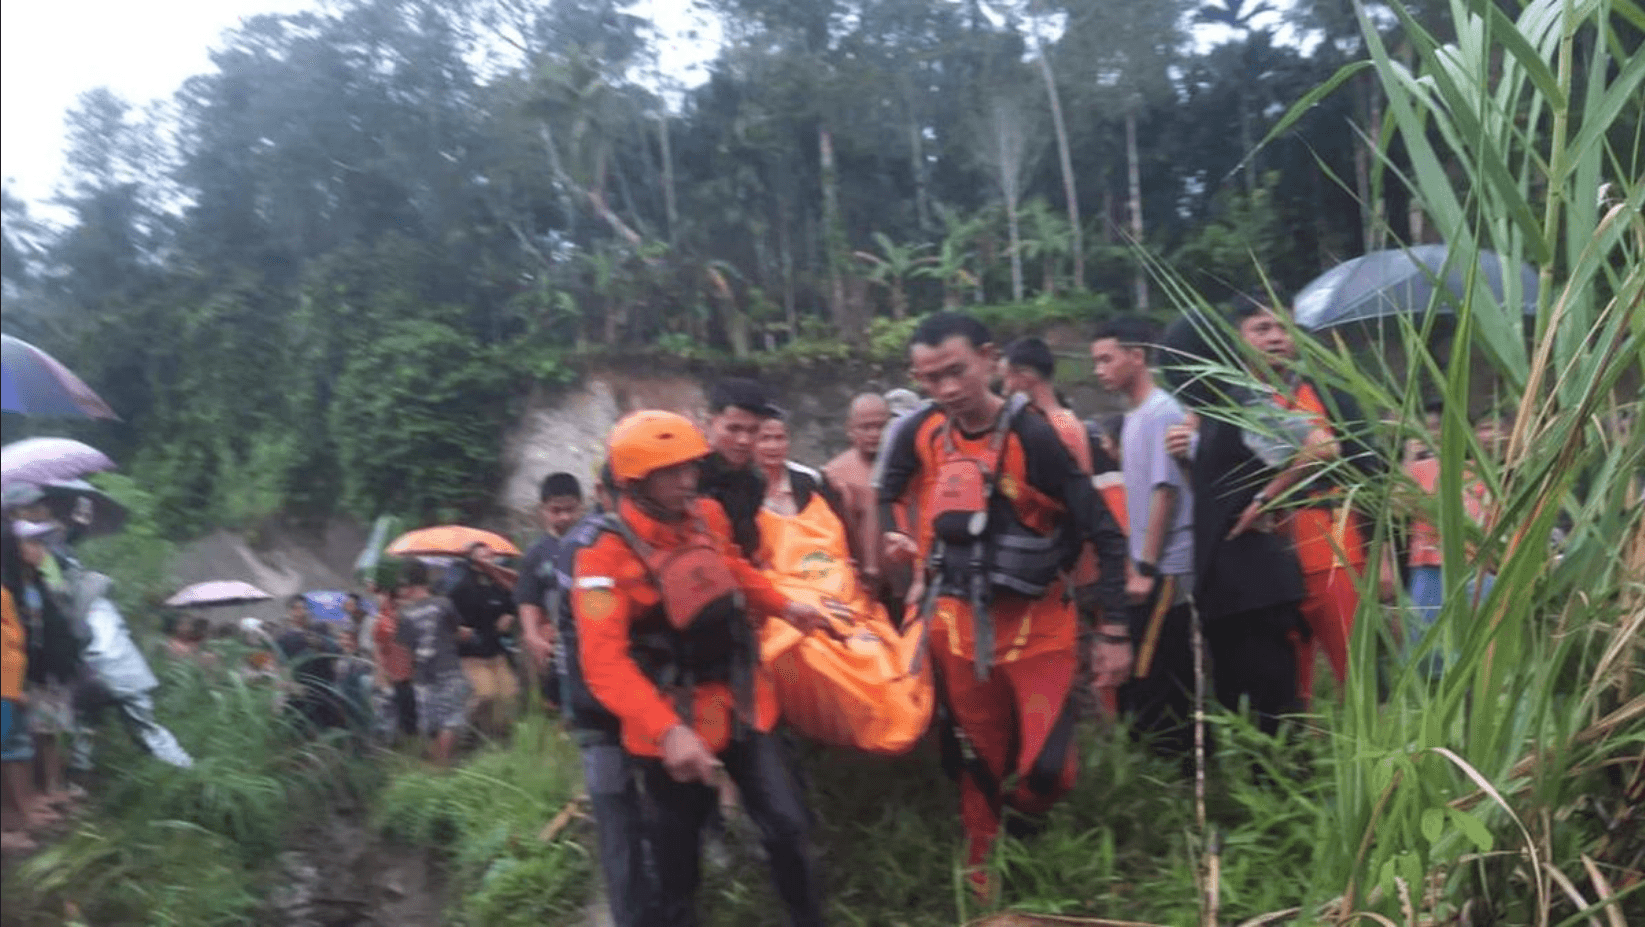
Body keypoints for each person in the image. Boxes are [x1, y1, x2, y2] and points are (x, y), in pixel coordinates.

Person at [877, 312, 1128, 897]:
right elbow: (889, 491)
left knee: (1049, 771)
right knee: (979, 761)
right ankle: (986, 880)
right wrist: (902, 541)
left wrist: (1114, 629)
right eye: (929, 378)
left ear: (990, 358)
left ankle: (1026, 825)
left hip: (1039, 627)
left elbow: (1105, 534)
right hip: (958, 627)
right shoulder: (922, 432)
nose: (945, 389)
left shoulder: (1035, 436)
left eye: (956, 371)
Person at [573, 410, 830, 927]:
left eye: (690, 467)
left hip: (742, 706)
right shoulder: (600, 556)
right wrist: (667, 732)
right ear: (635, 481)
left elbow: (731, 568)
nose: (688, 480)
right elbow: (603, 662)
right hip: (668, 727)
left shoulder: (705, 516)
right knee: (677, 864)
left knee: (789, 828)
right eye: (671, 473)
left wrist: (783, 605)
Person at [1161, 309, 1326, 736]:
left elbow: (1322, 446)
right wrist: (1185, 460)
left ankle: (1290, 789)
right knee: (1240, 707)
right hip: (1226, 586)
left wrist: (1265, 498)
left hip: (1255, 584)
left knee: (1274, 712)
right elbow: (1214, 495)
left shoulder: (1241, 400)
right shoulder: (1213, 409)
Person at [1227, 296, 1381, 703]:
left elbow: (1371, 473)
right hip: (1264, 558)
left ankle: (1381, 756)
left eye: (1284, 328)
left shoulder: (1332, 398)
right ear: (1236, 338)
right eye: (1262, 329)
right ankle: (1299, 759)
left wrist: (1383, 559)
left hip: (1334, 549)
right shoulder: (1228, 403)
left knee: (1358, 668)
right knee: (1287, 681)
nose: (1277, 338)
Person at [1001, 336, 1132, 717]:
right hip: (1079, 565)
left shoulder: (1052, 427)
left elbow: (1071, 508)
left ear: (1024, 377)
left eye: (1006, 378)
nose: (1004, 389)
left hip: (1071, 570)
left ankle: (1102, 755)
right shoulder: (1066, 423)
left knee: (1080, 672)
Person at [1092, 316, 1197, 757]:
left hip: (1167, 567)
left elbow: (1165, 492)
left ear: (1137, 357)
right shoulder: (1136, 417)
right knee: (1150, 672)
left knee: (1160, 672)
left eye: (1106, 358)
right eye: (1095, 361)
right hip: (1148, 566)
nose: (1099, 369)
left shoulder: (1161, 412)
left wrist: (1146, 565)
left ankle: (1174, 769)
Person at [2, 520, 85, 826]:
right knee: (19, 739)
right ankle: (20, 809)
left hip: (45, 669)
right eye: (31, 543)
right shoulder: (10, 587)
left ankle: (48, 790)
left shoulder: (38, 584)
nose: (39, 550)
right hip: (22, 674)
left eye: (41, 543)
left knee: (47, 731)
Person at [515, 472, 586, 707]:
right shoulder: (536, 553)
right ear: (543, 510)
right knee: (564, 703)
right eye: (556, 510)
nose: (564, 517)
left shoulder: (595, 542)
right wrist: (533, 636)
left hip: (596, 635)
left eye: (571, 509)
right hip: (559, 641)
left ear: (582, 507)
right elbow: (528, 600)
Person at [823, 394, 894, 613]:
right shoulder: (834, 474)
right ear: (850, 429)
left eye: (881, 426)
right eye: (866, 427)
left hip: (903, 582)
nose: (875, 434)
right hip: (857, 586)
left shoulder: (906, 466)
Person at [395, 559, 471, 765]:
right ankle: (443, 767)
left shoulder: (404, 615)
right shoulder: (444, 604)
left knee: (431, 726)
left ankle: (436, 768)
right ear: (426, 580)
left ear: (407, 585)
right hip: (448, 668)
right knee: (451, 719)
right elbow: (458, 632)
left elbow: (405, 649)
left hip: (422, 676)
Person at [700, 377, 781, 561]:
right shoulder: (686, 476)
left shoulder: (754, 482)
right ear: (709, 423)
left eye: (753, 431)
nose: (744, 440)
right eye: (733, 429)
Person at [447, 543, 520, 736]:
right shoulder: (461, 587)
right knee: (486, 695)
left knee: (509, 694)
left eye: (491, 556)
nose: (490, 560)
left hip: (496, 650)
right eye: (484, 557)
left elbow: (515, 600)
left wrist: (510, 615)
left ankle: (497, 736)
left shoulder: (499, 584)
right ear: (473, 561)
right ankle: (464, 732)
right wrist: (459, 630)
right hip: (472, 654)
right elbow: (448, 616)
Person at [276, 595, 343, 731]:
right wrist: (285, 683)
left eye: (303, 608)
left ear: (308, 611)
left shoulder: (320, 628)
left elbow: (337, 651)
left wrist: (321, 644)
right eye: (295, 608)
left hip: (323, 685)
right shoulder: (284, 638)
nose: (299, 612)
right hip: (299, 688)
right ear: (289, 612)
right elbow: (280, 665)